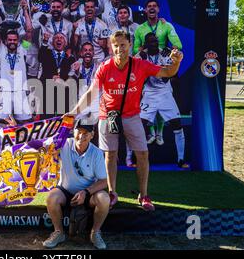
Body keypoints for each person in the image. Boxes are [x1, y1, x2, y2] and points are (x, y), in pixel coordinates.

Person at [65, 30, 184, 212]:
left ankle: (143, 195)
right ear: (111, 47)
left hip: (132, 115)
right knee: (110, 155)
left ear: (129, 45)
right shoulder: (104, 67)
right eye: (115, 45)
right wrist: (74, 112)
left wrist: (176, 62)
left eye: (122, 45)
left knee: (143, 154)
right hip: (108, 116)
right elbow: (91, 93)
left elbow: (167, 71)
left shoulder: (140, 64)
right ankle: (112, 193)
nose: (119, 49)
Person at [43, 120, 109, 250]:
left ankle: (95, 233)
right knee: (51, 197)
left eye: (86, 133)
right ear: (73, 131)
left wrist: (86, 192)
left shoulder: (96, 153)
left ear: (92, 135)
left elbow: (104, 181)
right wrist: (50, 151)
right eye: (79, 131)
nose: (81, 136)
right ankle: (59, 233)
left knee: (104, 198)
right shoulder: (64, 144)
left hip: (88, 194)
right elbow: (44, 145)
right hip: (65, 190)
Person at [138, 33, 188, 169]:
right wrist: (143, 63)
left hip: (165, 92)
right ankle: (134, 158)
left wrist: (159, 70)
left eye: (156, 42)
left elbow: (172, 75)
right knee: (138, 125)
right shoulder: (141, 56)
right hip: (149, 93)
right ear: (146, 44)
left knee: (177, 124)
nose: (154, 44)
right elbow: (138, 77)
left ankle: (181, 159)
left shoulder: (165, 53)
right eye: (151, 42)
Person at [0, 0, 34, 126]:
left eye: (14, 40)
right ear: (6, 41)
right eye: (10, 40)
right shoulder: (1, 49)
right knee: (3, 122)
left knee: (24, 122)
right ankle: (3, 144)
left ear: (18, 41)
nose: (12, 42)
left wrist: (25, 10)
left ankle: (23, 144)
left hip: (20, 91)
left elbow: (30, 31)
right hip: (5, 91)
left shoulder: (23, 49)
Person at [69, 42, 101, 125]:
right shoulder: (75, 66)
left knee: (95, 130)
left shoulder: (99, 66)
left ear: (93, 53)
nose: (88, 52)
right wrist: (75, 73)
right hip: (80, 103)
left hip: (95, 104)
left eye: (90, 50)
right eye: (85, 50)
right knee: (78, 130)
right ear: (81, 53)